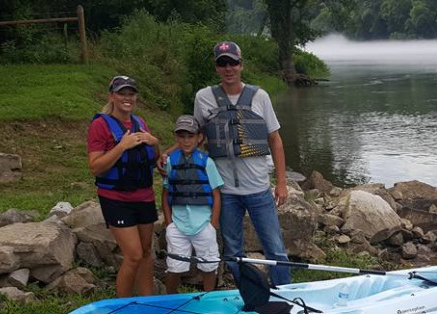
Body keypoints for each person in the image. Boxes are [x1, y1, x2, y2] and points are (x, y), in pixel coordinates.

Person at [193, 41, 292, 286]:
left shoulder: (260, 97)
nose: (228, 68)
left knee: (275, 248)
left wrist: (281, 183)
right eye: (222, 63)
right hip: (225, 192)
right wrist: (169, 156)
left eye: (233, 63)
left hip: (258, 188)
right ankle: (249, 292)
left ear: (241, 65)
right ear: (216, 68)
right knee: (234, 251)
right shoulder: (204, 98)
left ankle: (285, 292)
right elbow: (196, 137)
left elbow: (275, 140)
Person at [87, 75, 160, 297]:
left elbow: (153, 159)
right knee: (134, 255)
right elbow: (95, 167)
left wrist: (155, 143)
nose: (127, 98)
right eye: (122, 93)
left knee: (147, 252)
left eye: (131, 94)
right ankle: (122, 307)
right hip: (116, 198)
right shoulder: (100, 125)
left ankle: (148, 303)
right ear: (112, 96)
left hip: (144, 196)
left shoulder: (141, 123)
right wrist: (122, 146)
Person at [162, 115, 224, 294]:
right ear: (177, 139)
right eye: (182, 136)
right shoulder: (170, 162)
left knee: (209, 264)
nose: (186, 141)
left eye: (190, 136)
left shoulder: (207, 162)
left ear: (199, 138)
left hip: (203, 223)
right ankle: (171, 298)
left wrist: (213, 224)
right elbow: (165, 194)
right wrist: (168, 223)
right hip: (178, 224)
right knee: (175, 266)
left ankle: (208, 297)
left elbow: (216, 195)